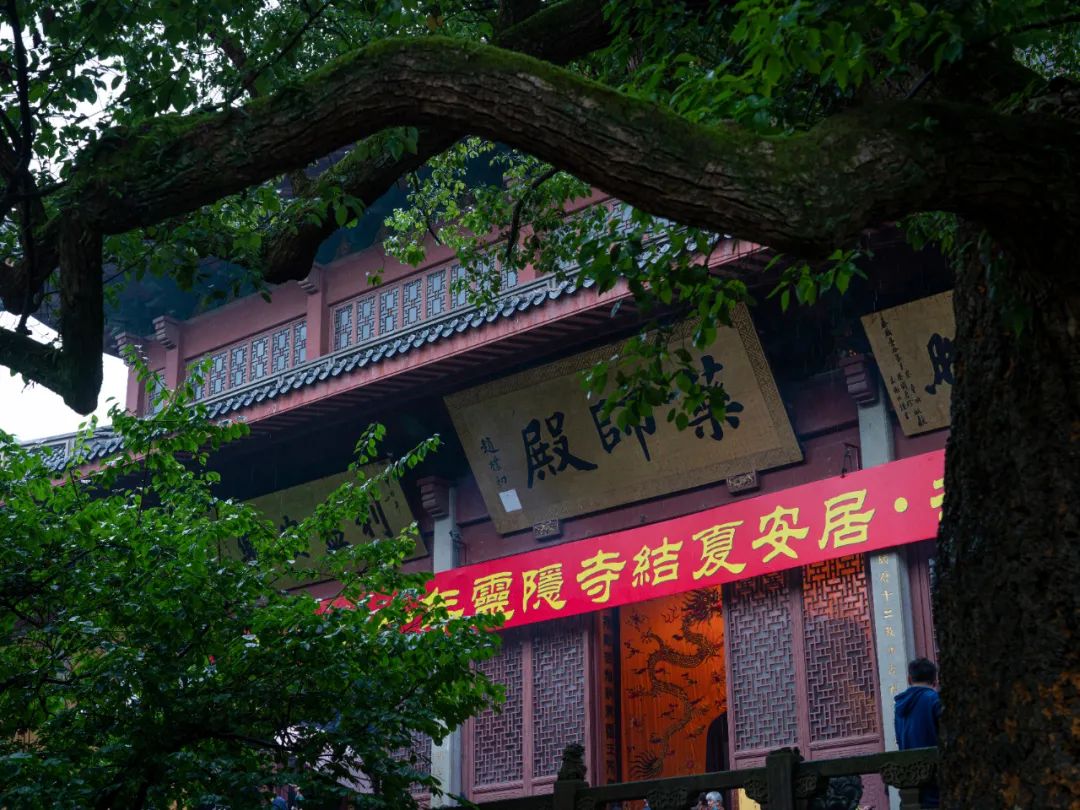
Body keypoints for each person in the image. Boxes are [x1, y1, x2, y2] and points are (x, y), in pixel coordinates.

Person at [894, 657, 942, 808]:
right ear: (935, 681)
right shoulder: (934, 700)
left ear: (909, 679)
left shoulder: (899, 706)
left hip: (910, 784)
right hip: (935, 779)